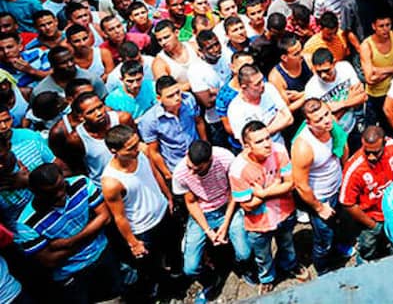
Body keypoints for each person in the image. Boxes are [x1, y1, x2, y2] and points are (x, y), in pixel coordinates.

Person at [14, 163, 123, 303]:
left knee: (115, 297)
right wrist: (91, 231)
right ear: (36, 192)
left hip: (102, 254)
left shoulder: (81, 183)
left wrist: (68, 242)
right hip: (72, 274)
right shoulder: (26, 223)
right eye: (51, 192)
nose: (60, 194)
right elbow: (49, 260)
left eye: (61, 186)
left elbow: (105, 217)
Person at [229, 121, 308, 294]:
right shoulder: (237, 169)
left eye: (268, 138)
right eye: (259, 141)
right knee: (262, 256)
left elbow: (291, 183)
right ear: (247, 146)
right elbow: (247, 205)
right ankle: (267, 278)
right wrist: (275, 188)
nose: (267, 144)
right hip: (258, 223)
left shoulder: (279, 150)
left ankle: (290, 265)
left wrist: (263, 194)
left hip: (284, 212)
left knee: (287, 243)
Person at [173, 140, 256, 297]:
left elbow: (234, 191)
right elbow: (191, 203)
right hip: (202, 213)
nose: (191, 172)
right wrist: (208, 230)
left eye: (196, 169)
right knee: (190, 268)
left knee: (244, 252)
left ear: (209, 161)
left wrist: (225, 225)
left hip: (227, 206)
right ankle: (210, 280)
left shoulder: (225, 158)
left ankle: (242, 267)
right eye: (189, 167)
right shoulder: (180, 173)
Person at [100, 125, 173, 299]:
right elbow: (119, 216)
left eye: (136, 143)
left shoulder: (143, 152)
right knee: (153, 266)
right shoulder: (111, 182)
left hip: (163, 213)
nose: (137, 149)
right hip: (143, 229)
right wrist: (133, 243)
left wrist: (168, 197)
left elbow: (155, 175)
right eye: (130, 148)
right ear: (114, 151)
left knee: (172, 251)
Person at [290, 99, 343, 276]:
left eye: (327, 114)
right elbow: (301, 185)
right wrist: (319, 208)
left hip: (336, 187)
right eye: (319, 119)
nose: (326, 120)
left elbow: (341, 145)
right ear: (308, 123)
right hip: (321, 198)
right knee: (324, 240)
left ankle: (336, 252)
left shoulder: (331, 126)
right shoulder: (304, 147)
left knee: (336, 227)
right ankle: (324, 271)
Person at [339, 126, 393, 263]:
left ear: (384, 143)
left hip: (392, 211)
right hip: (372, 218)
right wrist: (373, 225)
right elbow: (347, 203)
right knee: (368, 249)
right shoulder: (354, 169)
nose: (371, 157)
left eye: (376, 152)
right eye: (367, 152)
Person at [138, 75, 204, 181]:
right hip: (176, 166)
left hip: (199, 158)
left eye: (178, 92)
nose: (177, 98)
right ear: (159, 98)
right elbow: (154, 151)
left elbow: (199, 122)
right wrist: (167, 173)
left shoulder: (189, 100)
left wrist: (205, 146)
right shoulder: (150, 120)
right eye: (170, 96)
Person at [303, 48, 367, 150]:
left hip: (353, 125)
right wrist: (349, 102)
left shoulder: (345, 67)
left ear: (334, 63)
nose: (323, 75)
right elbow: (326, 121)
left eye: (326, 70)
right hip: (333, 135)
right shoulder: (311, 89)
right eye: (318, 72)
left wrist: (341, 105)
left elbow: (362, 96)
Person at [226, 65, 293, 146]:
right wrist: (276, 120)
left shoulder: (269, 89)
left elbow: (289, 118)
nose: (262, 85)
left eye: (262, 80)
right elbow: (245, 143)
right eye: (257, 84)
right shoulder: (235, 109)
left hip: (280, 145)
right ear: (244, 87)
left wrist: (259, 134)